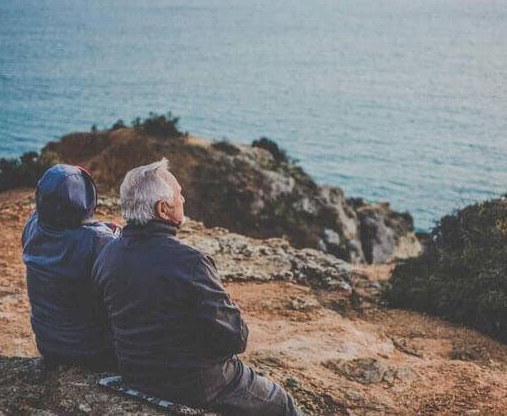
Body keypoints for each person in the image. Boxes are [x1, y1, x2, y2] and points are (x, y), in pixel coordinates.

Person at [92, 158, 302, 415]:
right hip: (196, 385)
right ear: (163, 209)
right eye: (179, 195)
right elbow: (235, 339)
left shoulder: (107, 254)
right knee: (282, 403)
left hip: (133, 374)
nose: (184, 200)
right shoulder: (191, 263)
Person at [22, 164, 120, 370]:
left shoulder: (33, 224)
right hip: (93, 351)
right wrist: (112, 233)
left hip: (47, 343)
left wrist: (101, 228)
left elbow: (70, 232)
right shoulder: (99, 242)